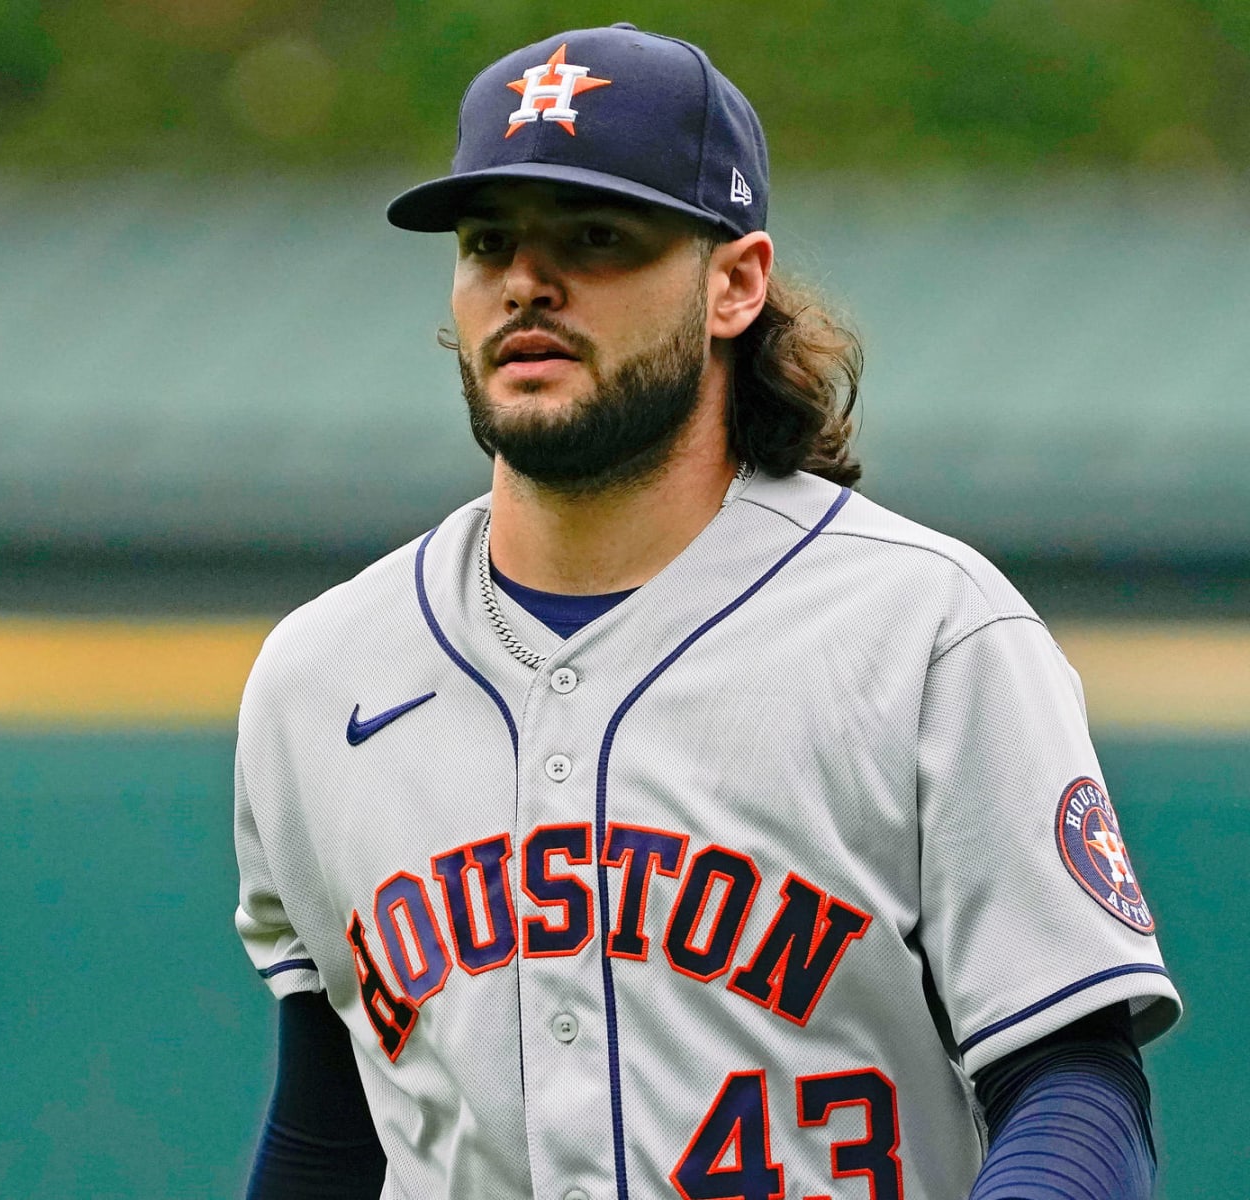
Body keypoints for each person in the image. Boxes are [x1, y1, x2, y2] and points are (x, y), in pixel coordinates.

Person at [234, 23, 1179, 1200]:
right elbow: (333, 1126)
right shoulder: (321, 674)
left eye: (595, 238)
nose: (528, 279)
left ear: (734, 283)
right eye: (490, 244)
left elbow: (1073, 1082)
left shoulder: (926, 632)